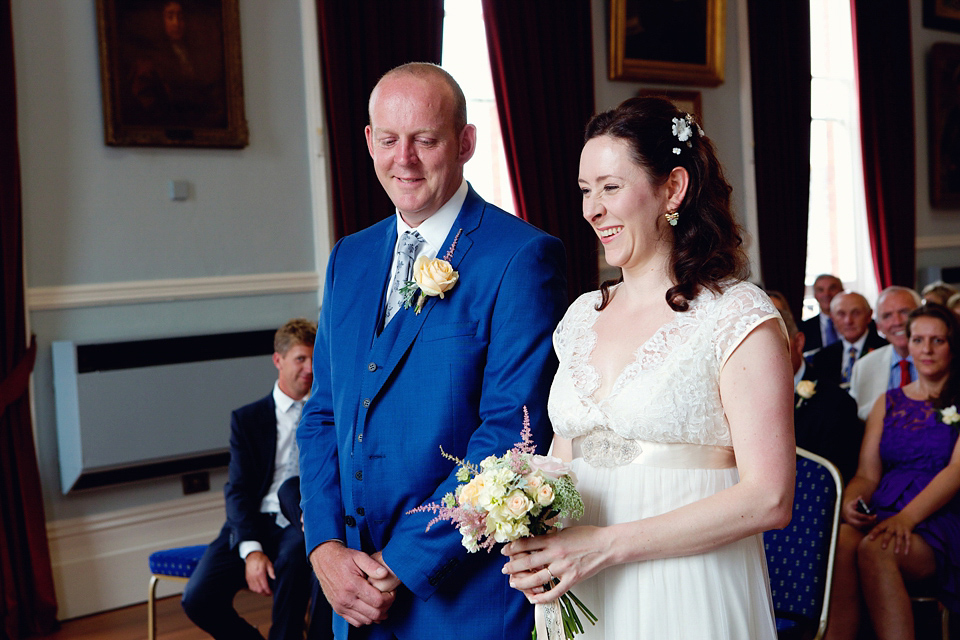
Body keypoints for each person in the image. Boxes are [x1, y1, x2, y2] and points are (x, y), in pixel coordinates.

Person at [501, 96, 795, 639]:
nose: (592, 209)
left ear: (672, 189)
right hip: (582, 589)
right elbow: (565, 457)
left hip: (685, 587)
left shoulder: (737, 316)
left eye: (610, 187)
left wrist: (605, 546)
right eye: (586, 191)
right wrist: (518, 511)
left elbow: (769, 497)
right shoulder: (582, 315)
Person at [297, 62, 567, 639]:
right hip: (351, 591)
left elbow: (511, 434)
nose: (405, 159)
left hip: (462, 598)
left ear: (465, 142)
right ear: (369, 142)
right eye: (390, 140)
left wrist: (398, 566)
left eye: (425, 139)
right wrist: (323, 546)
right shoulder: (350, 256)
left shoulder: (521, 257)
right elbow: (322, 413)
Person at [182, 318, 330, 639]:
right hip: (253, 520)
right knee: (197, 598)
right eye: (300, 359)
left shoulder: (327, 414)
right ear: (278, 360)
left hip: (297, 518)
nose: (309, 369)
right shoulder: (247, 419)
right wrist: (251, 551)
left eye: (314, 360)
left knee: (294, 557)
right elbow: (238, 491)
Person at [824, 304, 960, 640]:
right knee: (842, 542)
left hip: (939, 518)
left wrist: (906, 519)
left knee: (876, 548)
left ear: (953, 345)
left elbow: (957, 470)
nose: (926, 350)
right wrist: (851, 502)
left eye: (937, 341)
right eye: (918, 340)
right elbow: (868, 474)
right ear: (907, 344)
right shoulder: (889, 401)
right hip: (885, 510)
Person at [769, 290, 862, 481]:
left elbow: (831, 479)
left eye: (773, 345)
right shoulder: (742, 400)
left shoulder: (836, 403)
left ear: (799, 342)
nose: (763, 357)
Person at [849, 286, 922, 420]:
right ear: (879, 326)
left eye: (905, 312)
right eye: (887, 316)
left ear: (922, 315)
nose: (897, 322)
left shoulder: (944, 360)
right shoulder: (864, 367)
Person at [811, 291, 887, 388]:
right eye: (841, 314)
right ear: (833, 318)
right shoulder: (822, 357)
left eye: (855, 313)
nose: (848, 321)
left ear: (869, 316)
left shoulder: (885, 349)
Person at [800, 273, 844, 354]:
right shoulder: (802, 329)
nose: (826, 294)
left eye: (832, 288)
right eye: (820, 290)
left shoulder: (856, 324)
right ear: (815, 295)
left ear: (842, 291)